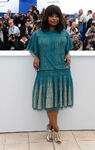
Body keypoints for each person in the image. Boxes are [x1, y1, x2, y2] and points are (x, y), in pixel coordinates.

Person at [27, 5, 74, 144]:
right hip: (45, 71)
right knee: (49, 101)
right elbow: (31, 49)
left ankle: (50, 126)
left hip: (62, 71)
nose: (54, 18)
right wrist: (35, 57)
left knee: (56, 101)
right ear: (46, 17)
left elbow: (67, 49)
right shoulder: (37, 33)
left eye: (56, 16)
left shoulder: (64, 33)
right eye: (51, 16)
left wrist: (68, 54)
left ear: (60, 18)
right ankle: (56, 128)